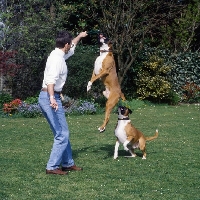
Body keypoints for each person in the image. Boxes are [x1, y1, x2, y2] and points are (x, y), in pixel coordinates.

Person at [38, 30, 88, 175]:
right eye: (69, 44)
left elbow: (71, 49)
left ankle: (67, 163)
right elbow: (50, 81)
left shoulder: (59, 54)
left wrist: (79, 36)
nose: (70, 46)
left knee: (63, 132)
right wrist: (53, 98)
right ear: (65, 44)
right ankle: (52, 167)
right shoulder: (56, 59)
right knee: (61, 134)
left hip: (52, 96)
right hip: (49, 97)